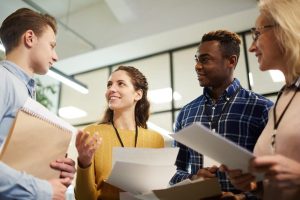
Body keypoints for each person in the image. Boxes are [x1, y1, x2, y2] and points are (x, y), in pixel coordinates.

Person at [169, 30, 273, 198]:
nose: (197, 66)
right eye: (197, 59)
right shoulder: (186, 113)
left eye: (205, 59)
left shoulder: (262, 108)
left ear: (231, 61)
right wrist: (193, 178)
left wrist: (243, 198)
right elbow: (174, 171)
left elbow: (274, 175)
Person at [224, 0, 300, 199]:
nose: (251, 47)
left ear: (286, 28)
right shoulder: (284, 98)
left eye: (257, 34)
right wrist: (254, 185)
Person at [0, 8, 76, 200]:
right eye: (51, 45)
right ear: (30, 38)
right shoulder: (3, 80)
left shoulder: (27, 94)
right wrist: (43, 190)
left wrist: (55, 169)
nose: (56, 56)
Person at [75, 66, 164, 200]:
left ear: (138, 94)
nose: (111, 89)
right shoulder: (93, 133)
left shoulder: (156, 140)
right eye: (109, 85)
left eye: (120, 84)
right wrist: (84, 162)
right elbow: (84, 198)